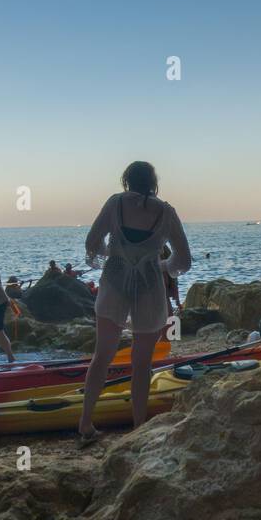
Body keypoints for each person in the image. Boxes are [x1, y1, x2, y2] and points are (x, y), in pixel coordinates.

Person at [78, 161, 192, 440]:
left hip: (113, 284)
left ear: (126, 180)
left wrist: (115, 254)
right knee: (142, 363)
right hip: (150, 289)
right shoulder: (167, 212)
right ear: (154, 183)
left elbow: (92, 242)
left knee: (101, 357)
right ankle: (138, 427)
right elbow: (184, 260)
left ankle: (85, 425)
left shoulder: (115, 204)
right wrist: (158, 265)